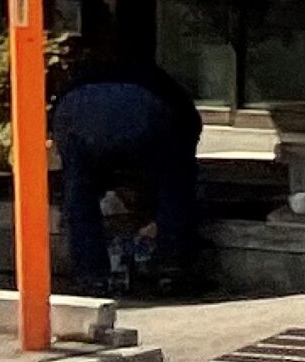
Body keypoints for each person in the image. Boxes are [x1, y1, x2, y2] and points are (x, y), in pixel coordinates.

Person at [49, 36, 202, 296]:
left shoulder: (83, 74)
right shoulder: (159, 82)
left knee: (79, 191)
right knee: (175, 182)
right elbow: (189, 132)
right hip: (142, 105)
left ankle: (91, 276)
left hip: (74, 108)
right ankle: (172, 268)